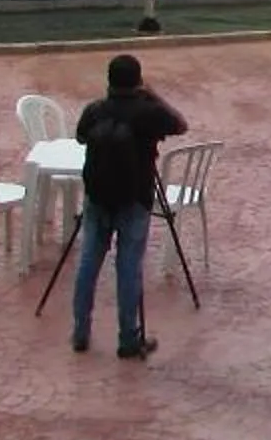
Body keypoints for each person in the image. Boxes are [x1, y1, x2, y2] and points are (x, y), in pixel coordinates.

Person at [70, 54, 187, 360]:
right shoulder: (147, 112)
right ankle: (128, 338)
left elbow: (81, 137)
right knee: (129, 267)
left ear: (109, 80)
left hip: (97, 197)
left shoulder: (95, 110)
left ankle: (80, 332)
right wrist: (153, 94)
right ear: (137, 81)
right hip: (134, 198)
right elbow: (180, 124)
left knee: (88, 265)